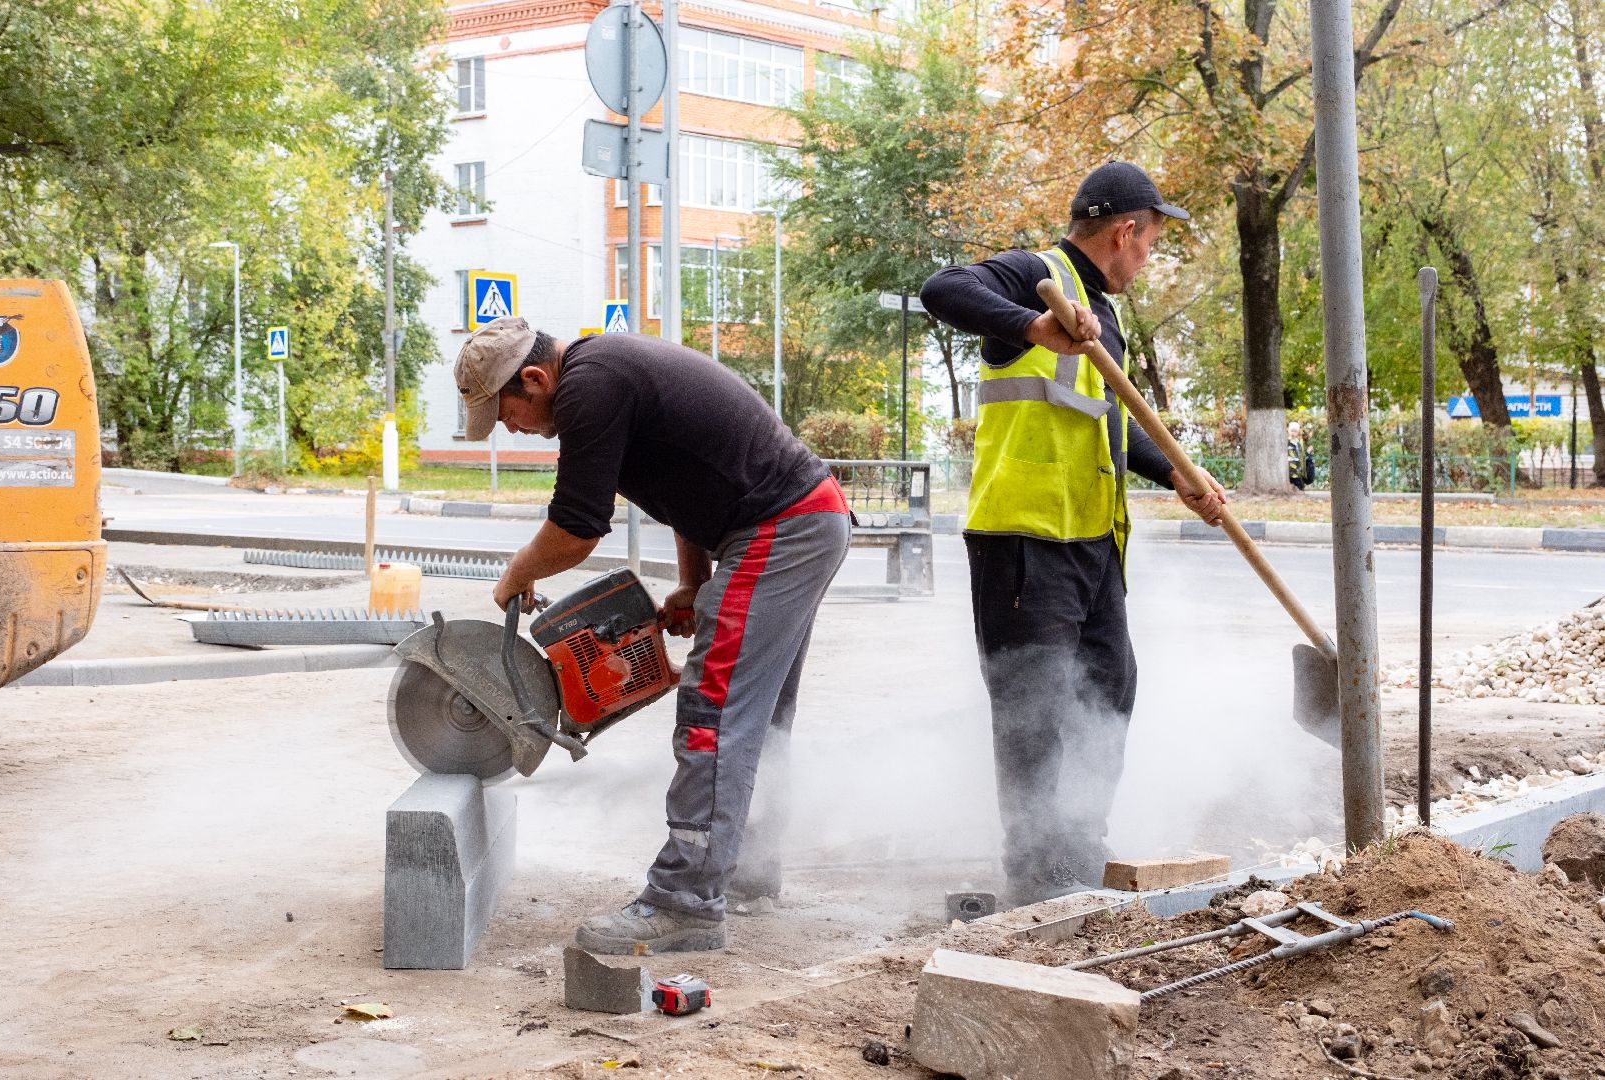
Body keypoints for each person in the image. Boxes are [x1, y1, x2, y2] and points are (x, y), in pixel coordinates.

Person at [453, 316, 851, 953]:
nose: (510, 428)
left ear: (534, 377)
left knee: (713, 711)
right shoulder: (604, 375)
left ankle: (686, 902)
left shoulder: (590, 387)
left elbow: (578, 527)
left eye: (508, 413)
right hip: (793, 521)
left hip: (781, 530)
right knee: (757, 713)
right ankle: (747, 870)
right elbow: (688, 490)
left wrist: (518, 572)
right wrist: (692, 584)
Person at [920, 160, 1228, 906]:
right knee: (1036, 709)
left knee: (1109, 691)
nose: (1148, 257)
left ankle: (1078, 846)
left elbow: (1110, 422)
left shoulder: (1106, 319)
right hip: (1023, 540)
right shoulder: (1039, 276)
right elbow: (942, 289)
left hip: (1092, 543)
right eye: (1150, 241)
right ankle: (1036, 873)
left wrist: (1177, 475)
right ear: (1125, 231)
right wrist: (1032, 325)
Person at [1287, 421, 1315, 491]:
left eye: (1295, 431)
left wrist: (1308, 453)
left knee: (1299, 488)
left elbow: (1302, 458)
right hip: (1288, 474)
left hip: (1298, 474)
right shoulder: (1286, 442)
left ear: (1298, 432)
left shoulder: (1299, 443)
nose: (1293, 433)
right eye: (1292, 430)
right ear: (1288, 430)